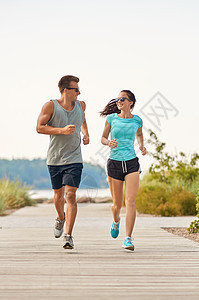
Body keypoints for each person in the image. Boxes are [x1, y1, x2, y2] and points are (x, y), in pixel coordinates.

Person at [36, 75, 89, 250]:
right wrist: (62, 131)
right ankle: (60, 218)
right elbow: (39, 127)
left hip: (74, 158)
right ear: (66, 90)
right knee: (58, 196)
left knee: (71, 195)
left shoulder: (81, 105)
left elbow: (82, 118)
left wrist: (85, 133)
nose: (79, 92)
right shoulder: (50, 106)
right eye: (76, 89)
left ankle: (68, 236)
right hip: (55, 159)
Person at [100, 90, 146, 251]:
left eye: (122, 99)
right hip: (114, 163)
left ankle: (128, 239)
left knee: (131, 201)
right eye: (117, 99)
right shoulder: (111, 119)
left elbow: (139, 135)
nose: (119, 101)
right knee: (117, 205)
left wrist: (141, 146)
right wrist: (108, 143)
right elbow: (103, 138)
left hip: (132, 163)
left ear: (130, 102)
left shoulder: (137, 120)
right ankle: (116, 220)